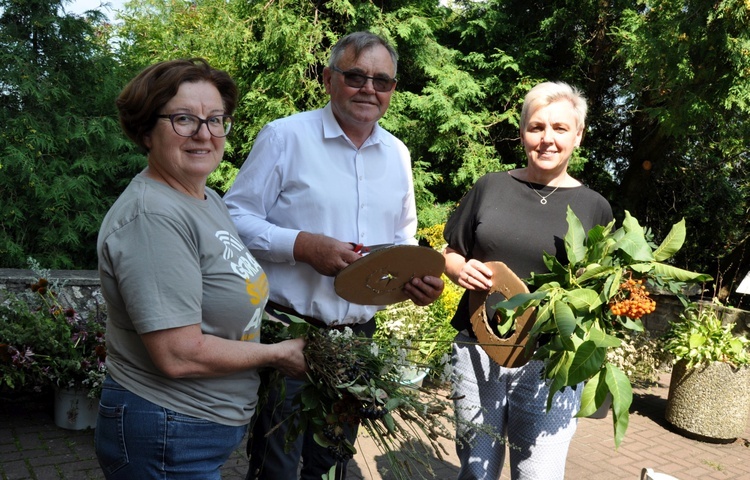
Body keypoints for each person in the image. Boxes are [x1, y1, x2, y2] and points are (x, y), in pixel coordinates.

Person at [223, 31, 445, 480]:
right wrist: (302, 246)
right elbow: (232, 218)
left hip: (356, 340)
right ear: (328, 78)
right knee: (276, 465)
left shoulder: (398, 155)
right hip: (288, 335)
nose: (369, 89)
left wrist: (415, 284)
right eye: (356, 76)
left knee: (332, 462)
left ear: (392, 91)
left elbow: (402, 245)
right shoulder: (285, 137)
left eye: (381, 81)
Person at [95, 58, 308, 480]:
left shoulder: (205, 199)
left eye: (215, 120)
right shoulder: (152, 217)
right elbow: (177, 354)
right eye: (183, 119)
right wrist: (279, 354)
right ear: (144, 131)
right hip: (168, 429)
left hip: (193, 429)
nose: (204, 134)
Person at [442, 81, 614, 480]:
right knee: (476, 468)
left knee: (539, 472)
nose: (547, 139)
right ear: (522, 133)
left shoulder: (595, 208)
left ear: (579, 135)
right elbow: (452, 252)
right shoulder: (491, 187)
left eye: (560, 128)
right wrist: (456, 268)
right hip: (477, 345)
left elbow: (601, 290)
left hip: (549, 360)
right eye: (536, 127)